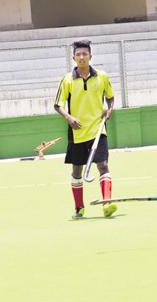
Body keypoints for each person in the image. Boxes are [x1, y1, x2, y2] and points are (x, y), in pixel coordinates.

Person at [54, 40, 116, 219]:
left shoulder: (102, 77)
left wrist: (109, 110)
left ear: (91, 56)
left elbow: (110, 98)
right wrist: (69, 118)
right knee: (77, 171)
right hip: (77, 132)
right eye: (78, 54)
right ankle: (79, 207)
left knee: (103, 165)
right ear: (73, 57)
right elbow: (58, 105)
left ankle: (107, 204)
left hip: (98, 130)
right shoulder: (67, 80)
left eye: (85, 54)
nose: (82, 57)